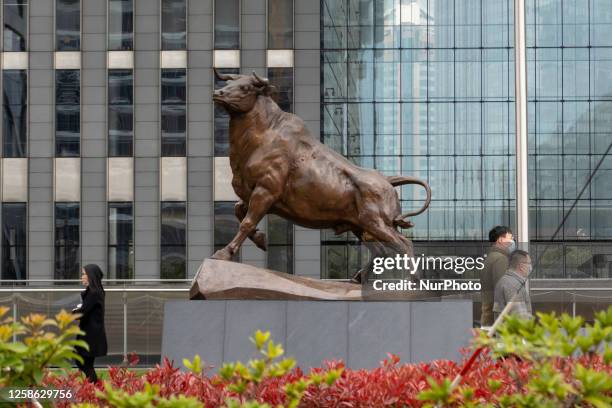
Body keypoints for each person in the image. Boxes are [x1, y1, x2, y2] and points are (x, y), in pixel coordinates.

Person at [72, 264, 108, 383]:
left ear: (90, 276)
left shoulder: (94, 293)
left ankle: (95, 385)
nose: (82, 277)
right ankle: (95, 386)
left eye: (83, 274)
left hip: (90, 336)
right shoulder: (95, 291)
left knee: (83, 362)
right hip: (90, 334)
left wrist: (74, 313)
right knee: (85, 362)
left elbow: (84, 311)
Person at [480, 226, 514, 326]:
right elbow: (502, 289)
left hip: (489, 315)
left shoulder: (492, 256)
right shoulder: (500, 259)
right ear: (500, 239)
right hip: (497, 318)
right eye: (510, 238)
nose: (512, 241)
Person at [493, 250, 533, 320]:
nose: (530, 267)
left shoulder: (504, 281)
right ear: (521, 266)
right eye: (529, 263)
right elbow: (520, 319)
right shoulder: (514, 285)